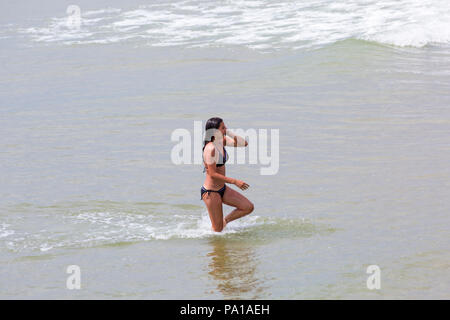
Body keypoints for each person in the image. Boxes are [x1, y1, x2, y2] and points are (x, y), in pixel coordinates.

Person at [201, 117, 254, 232]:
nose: (225, 129)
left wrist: (228, 132)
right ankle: (215, 248)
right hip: (211, 192)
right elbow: (212, 174)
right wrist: (235, 181)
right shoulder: (210, 149)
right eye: (223, 127)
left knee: (248, 207)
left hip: (222, 188)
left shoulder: (221, 141)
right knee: (217, 231)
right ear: (215, 131)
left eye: (225, 127)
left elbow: (243, 143)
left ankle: (224, 221)